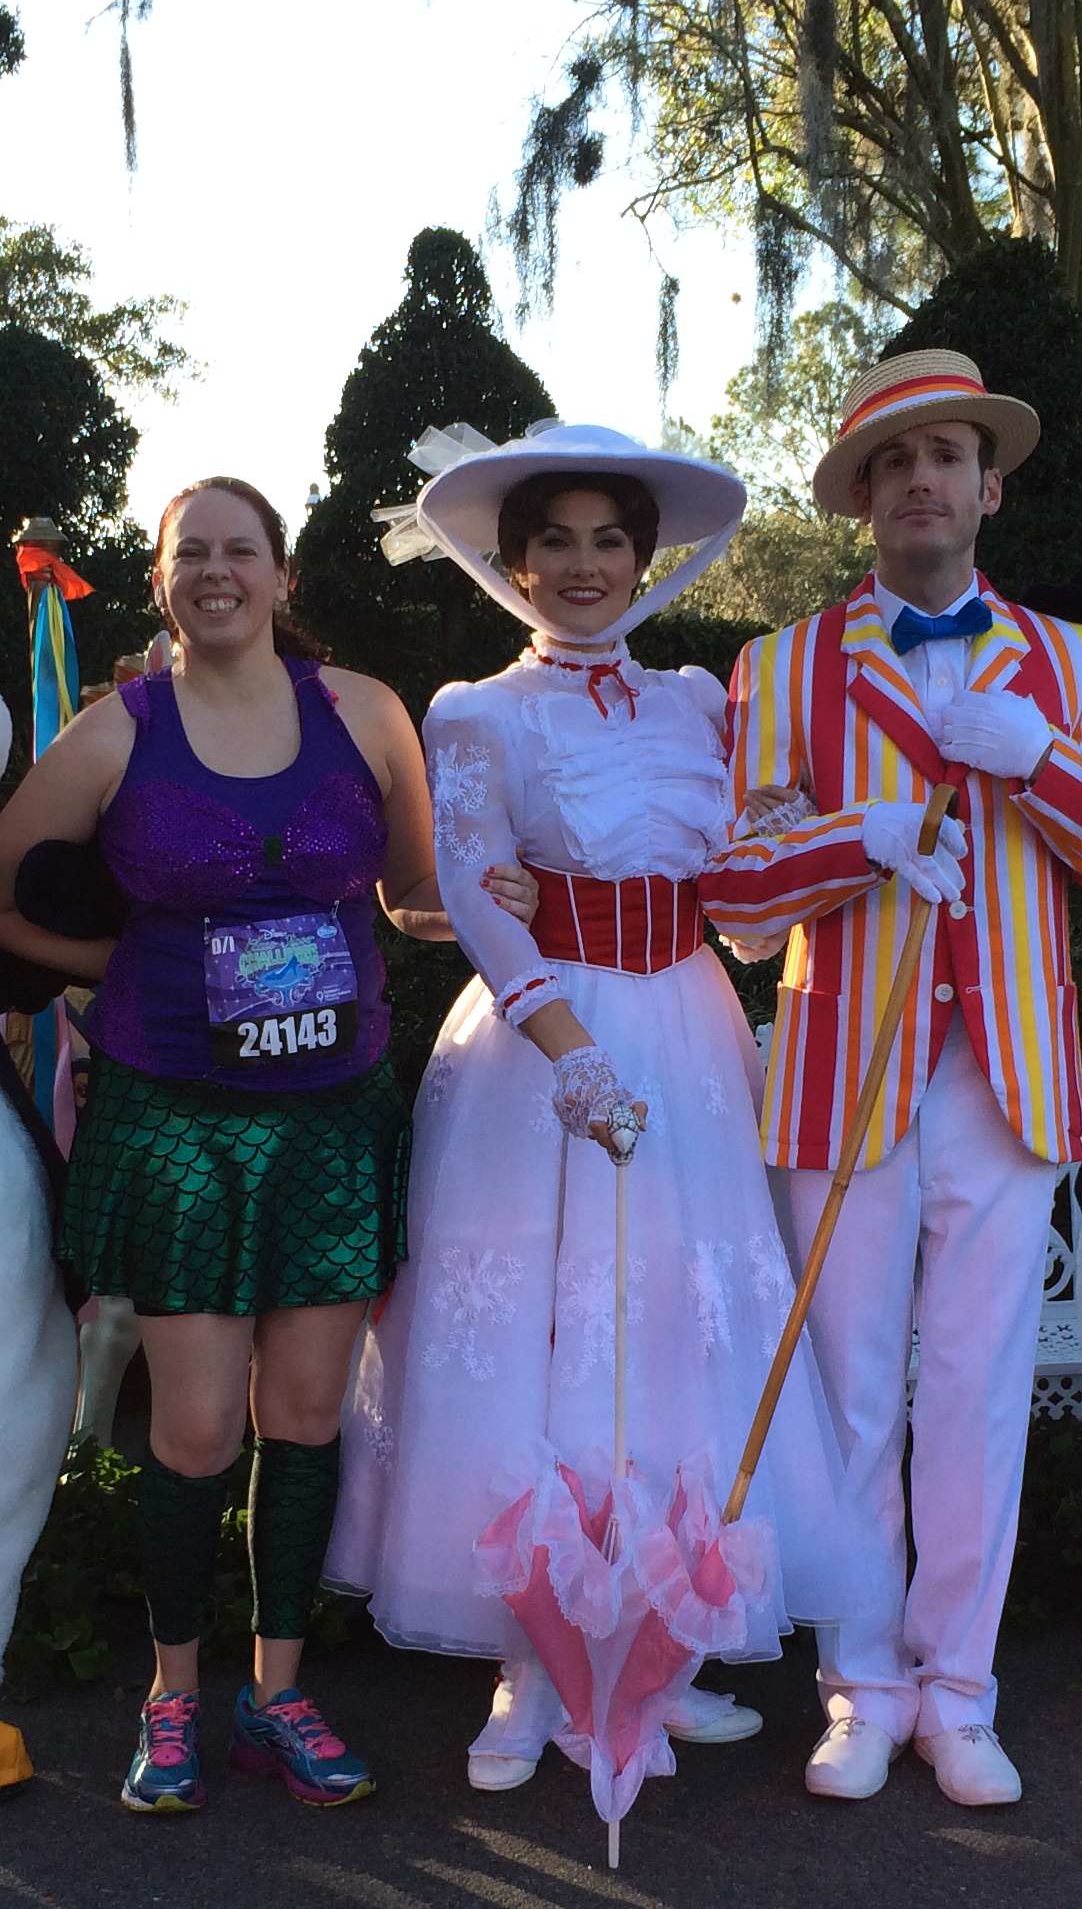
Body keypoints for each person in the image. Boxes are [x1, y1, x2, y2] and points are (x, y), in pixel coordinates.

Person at [327, 422, 895, 1791]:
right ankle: (535, 1666)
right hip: (544, 1049)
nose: (584, 565)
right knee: (544, 1335)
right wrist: (570, 1051)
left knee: (676, 1333)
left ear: (643, 558)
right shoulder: (479, 712)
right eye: (555, 542)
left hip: (690, 1029)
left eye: (607, 541)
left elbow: (742, 905)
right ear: (516, 563)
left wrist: (824, 853)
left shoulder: (703, 703)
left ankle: (659, 1646)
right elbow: (474, 895)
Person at [701, 351, 1082, 1806]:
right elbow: (736, 898)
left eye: (949, 456)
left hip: (1008, 1077)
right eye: (896, 461)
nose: (924, 480)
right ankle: (862, 1686)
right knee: (852, 1392)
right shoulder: (783, 668)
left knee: (975, 1395)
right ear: (863, 496)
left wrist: (1037, 761)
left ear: (989, 488)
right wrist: (858, 840)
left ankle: (960, 1690)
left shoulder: (1068, 666)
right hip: (846, 1071)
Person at [0, 477, 439, 1815]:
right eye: (193, 555)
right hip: (180, 1117)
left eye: (243, 551)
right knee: (191, 1428)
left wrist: (506, 905)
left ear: (283, 577)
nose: (218, 573)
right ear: (162, 582)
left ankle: (277, 1694)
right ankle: (172, 1694)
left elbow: (411, 892)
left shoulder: (367, 713)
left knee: (305, 1417)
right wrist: (115, 968)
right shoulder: (117, 731)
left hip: (333, 1116)